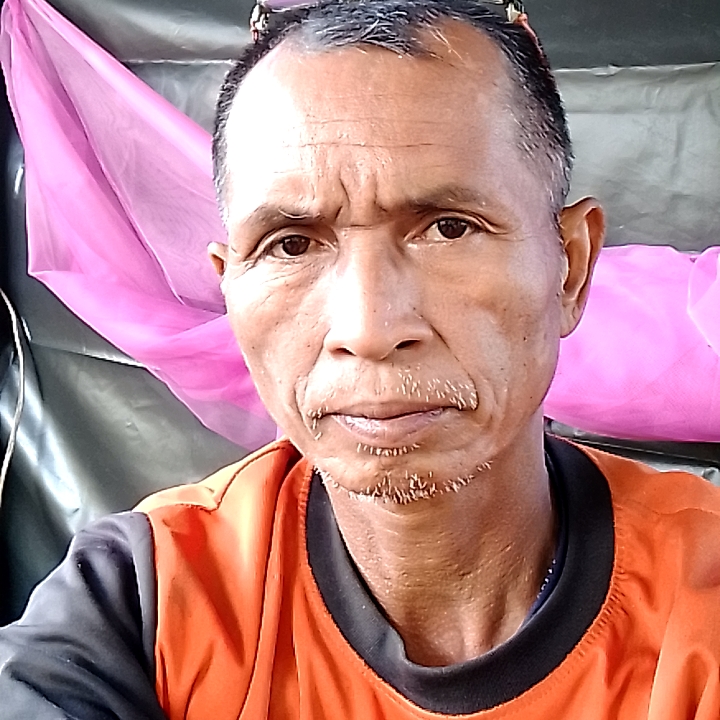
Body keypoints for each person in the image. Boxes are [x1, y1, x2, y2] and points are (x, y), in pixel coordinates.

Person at [2, 0, 720, 717]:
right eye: (291, 244)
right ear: (228, 288)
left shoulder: (702, 593)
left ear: (569, 268)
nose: (369, 327)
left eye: (449, 229)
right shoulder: (143, 601)